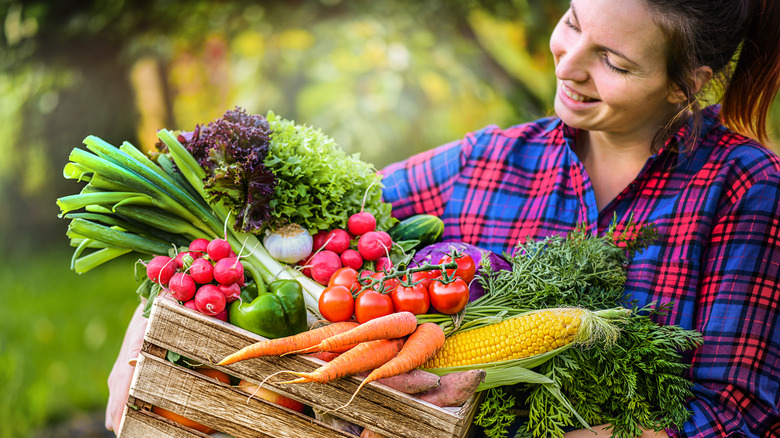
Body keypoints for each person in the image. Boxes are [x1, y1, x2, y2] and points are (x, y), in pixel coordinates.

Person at [106, 0, 780, 436]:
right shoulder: (487, 161)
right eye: (573, 23)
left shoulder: (746, 192)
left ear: (683, 84)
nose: (569, 66)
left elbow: (737, 417)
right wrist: (151, 320)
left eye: (614, 61)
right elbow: (295, 235)